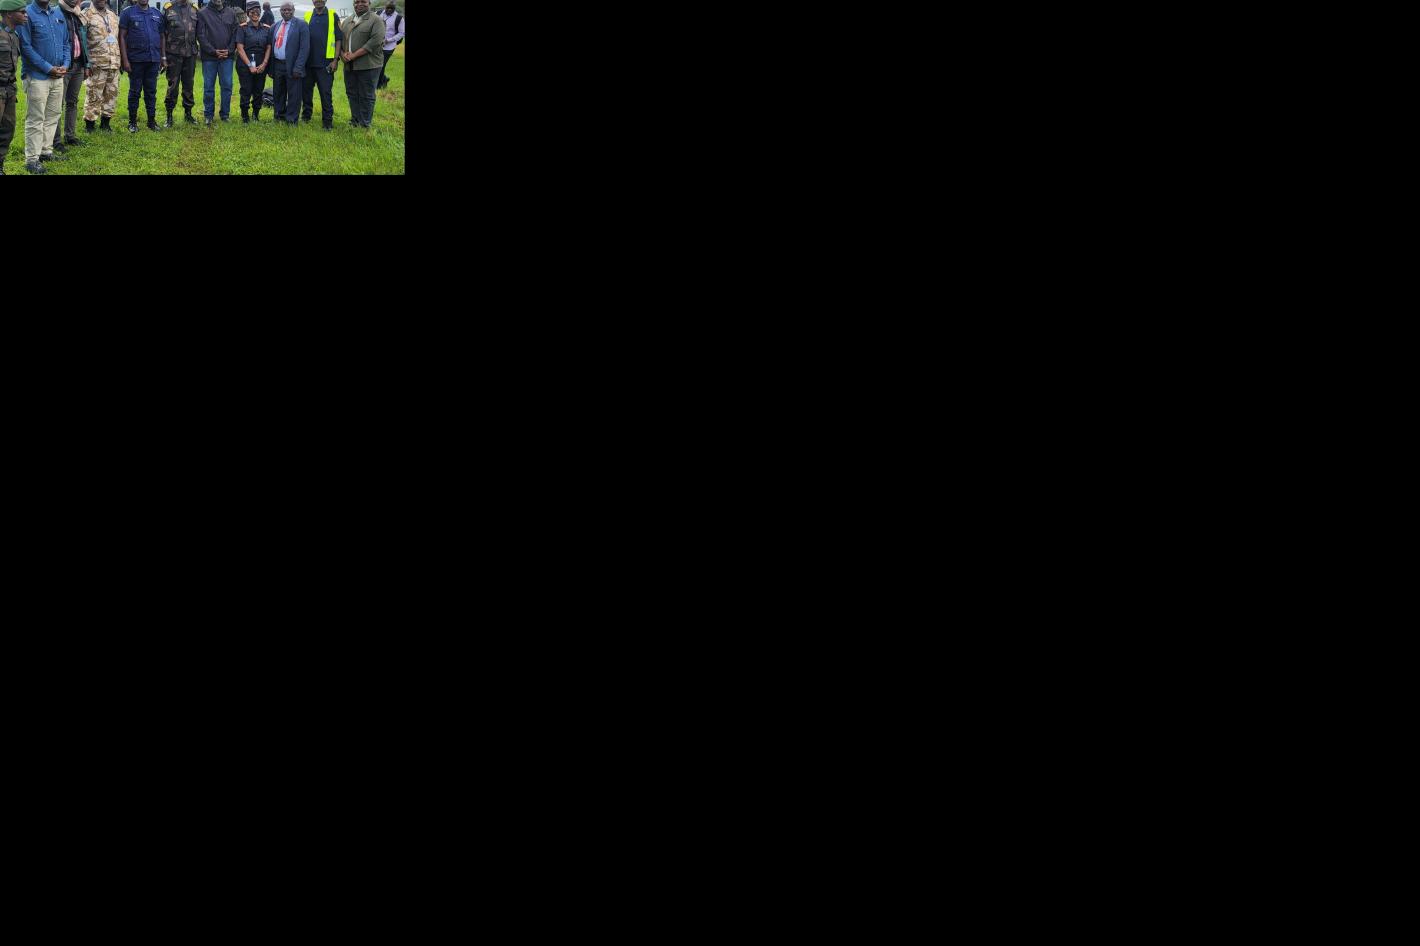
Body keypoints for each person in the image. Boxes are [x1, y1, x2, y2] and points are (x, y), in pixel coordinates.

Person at [17, 0, 71, 165]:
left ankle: (46, 151)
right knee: (36, 118)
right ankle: (32, 159)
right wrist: (48, 68)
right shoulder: (27, 14)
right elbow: (25, 47)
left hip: (58, 75)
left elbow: (66, 43)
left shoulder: (58, 13)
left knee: (53, 115)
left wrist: (65, 64)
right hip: (37, 76)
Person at [117, 0, 162, 131]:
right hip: (136, 60)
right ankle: (132, 122)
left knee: (151, 92)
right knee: (135, 92)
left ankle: (151, 121)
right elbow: (122, 37)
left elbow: (161, 36)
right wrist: (125, 60)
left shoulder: (156, 13)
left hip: (153, 59)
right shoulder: (128, 13)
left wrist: (162, 57)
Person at [337, 0, 380, 129]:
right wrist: (342, 54)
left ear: (369, 3)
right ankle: (355, 120)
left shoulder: (376, 20)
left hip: (368, 65)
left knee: (366, 95)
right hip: (349, 65)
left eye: (363, 1)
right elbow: (340, 40)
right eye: (356, 2)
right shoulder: (348, 20)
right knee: (352, 93)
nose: (359, 4)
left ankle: (365, 123)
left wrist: (354, 55)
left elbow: (375, 41)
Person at [50, 0, 86, 152]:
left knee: (73, 102)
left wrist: (86, 63)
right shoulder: (55, 13)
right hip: (63, 66)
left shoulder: (77, 14)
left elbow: (83, 39)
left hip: (78, 64)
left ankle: (70, 136)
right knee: (58, 104)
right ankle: (56, 140)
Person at [194, 0, 237, 124]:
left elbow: (235, 33)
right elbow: (200, 35)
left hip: (227, 57)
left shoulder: (231, 13)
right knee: (208, 87)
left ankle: (225, 115)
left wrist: (229, 50)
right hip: (209, 58)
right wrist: (213, 51)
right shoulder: (202, 13)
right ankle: (208, 115)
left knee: (227, 86)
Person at [79, 0, 117, 132]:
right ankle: (90, 125)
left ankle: (105, 124)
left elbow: (116, 38)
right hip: (96, 64)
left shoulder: (112, 15)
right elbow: (82, 40)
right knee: (93, 95)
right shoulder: (86, 15)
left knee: (111, 94)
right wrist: (86, 63)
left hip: (113, 62)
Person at [299, 0, 337, 129]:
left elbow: (338, 39)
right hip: (308, 64)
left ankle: (327, 122)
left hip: (325, 64)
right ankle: (306, 116)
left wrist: (335, 60)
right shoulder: (307, 16)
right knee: (306, 93)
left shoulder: (332, 15)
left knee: (325, 94)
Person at [161, 0, 198, 126]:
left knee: (189, 85)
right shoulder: (168, 8)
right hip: (173, 55)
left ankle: (188, 114)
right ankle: (169, 116)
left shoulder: (194, 9)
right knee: (173, 85)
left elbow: (198, 32)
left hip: (190, 54)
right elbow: (162, 34)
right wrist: (163, 56)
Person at [0, 0, 26, 175]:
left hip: (9, 90)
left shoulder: (14, 35)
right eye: (22, 12)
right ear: (9, 13)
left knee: (7, 130)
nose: (26, 15)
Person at [267, 2, 304, 124]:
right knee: (278, 92)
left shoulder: (301, 25)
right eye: (284, 10)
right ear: (280, 11)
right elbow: (271, 47)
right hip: (278, 64)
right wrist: (271, 68)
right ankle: (279, 116)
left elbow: (304, 48)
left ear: (293, 10)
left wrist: (298, 67)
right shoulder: (275, 26)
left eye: (289, 9)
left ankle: (291, 119)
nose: (286, 11)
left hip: (293, 65)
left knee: (294, 93)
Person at [233, 0, 266, 122]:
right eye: (252, 12)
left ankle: (256, 115)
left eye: (257, 11)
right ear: (248, 13)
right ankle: (245, 116)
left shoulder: (266, 29)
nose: (255, 14)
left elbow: (268, 47)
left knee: (258, 90)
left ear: (260, 12)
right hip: (245, 65)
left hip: (261, 65)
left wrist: (264, 64)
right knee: (246, 90)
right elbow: (240, 48)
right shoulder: (242, 28)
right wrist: (249, 65)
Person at [374, 0, 398, 90]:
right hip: (377, 45)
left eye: (392, 8)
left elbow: (402, 33)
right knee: (376, 64)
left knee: (381, 65)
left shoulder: (398, 18)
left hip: (389, 47)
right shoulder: (378, 13)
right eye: (388, 8)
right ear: (385, 7)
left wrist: (389, 40)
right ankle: (384, 79)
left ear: (395, 8)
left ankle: (379, 85)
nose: (389, 10)